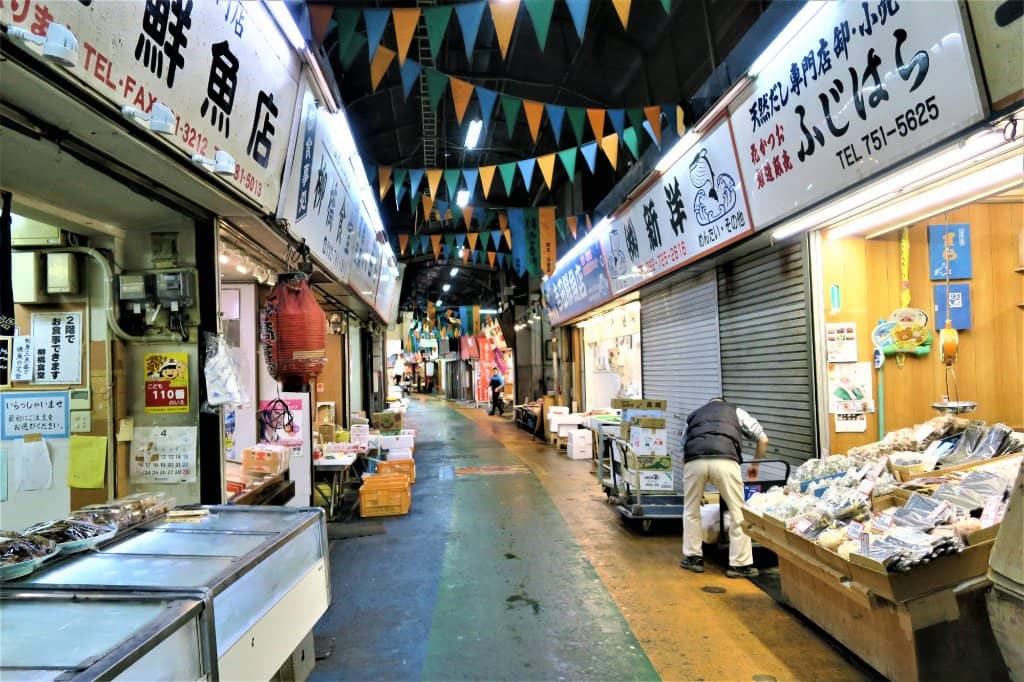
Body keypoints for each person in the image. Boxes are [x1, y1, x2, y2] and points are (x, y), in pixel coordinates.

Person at [679, 397, 767, 578]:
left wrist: (695, 486)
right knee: (738, 512)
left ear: (708, 405)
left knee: (691, 510)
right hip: (725, 461)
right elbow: (763, 439)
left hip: (694, 461)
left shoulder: (694, 415)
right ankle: (739, 565)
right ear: (724, 403)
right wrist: (755, 465)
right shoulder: (736, 411)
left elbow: (684, 450)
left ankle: (693, 558)